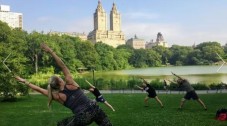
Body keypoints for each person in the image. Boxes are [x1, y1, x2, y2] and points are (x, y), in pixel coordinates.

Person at [15, 43, 112, 126]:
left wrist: (24, 81)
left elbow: (39, 89)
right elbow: (62, 65)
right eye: (59, 77)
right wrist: (50, 51)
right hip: (95, 108)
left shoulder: (56, 96)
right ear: (60, 81)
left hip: (83, 116)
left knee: (61, 124)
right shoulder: (70, 82)